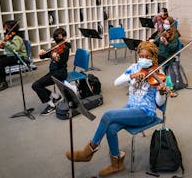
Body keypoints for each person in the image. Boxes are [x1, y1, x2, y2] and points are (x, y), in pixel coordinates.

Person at [65, 41, 167, 177]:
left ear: (153, 57)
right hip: (131, 108)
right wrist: (131, 76)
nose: (144, 59)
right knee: (111, 128)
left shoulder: (159, 74)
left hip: (146, 113)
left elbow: (159, 102)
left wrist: (161, 92)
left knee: (108, 115)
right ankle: (116, 163)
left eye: (148, 57)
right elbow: (116, 83)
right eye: (142, 56)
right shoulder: (134, 68)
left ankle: (89, 150)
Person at [32, 28, 71, 115]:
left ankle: (51, 106)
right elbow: (43, 56)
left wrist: (56, 57)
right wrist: (41, 53)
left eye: (60, 39)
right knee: (37, 85)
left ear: (64, 38)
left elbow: (62, 62)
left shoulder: (65, 49)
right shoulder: (55, 47)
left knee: (36, 85)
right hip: (53, 72)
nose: (57, 41)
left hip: (60, 73)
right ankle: (56, 96)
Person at [0, 20, 27, 92]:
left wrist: (5, 43)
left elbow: (16, 48)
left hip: (19, 56)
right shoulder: (8, 36)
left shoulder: (17, 37)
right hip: (10, 55)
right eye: (6, 28)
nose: (7, 29)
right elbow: (4, 47)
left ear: (13, 28)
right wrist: (0, 44)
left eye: (8, 28)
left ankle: (3, 83)